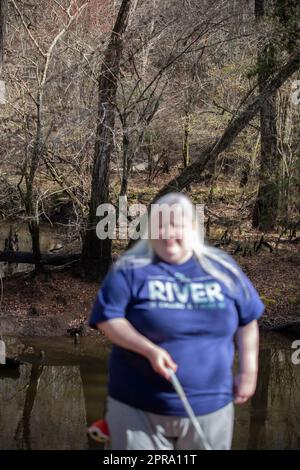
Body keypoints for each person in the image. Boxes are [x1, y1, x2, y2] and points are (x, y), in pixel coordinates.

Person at [89, 192, 265, 450]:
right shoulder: (130, 268)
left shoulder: (222, 268)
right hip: (137, 407)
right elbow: (108, 319)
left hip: (211, 407)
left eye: (176, 224)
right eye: (160, 224)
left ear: (193, 228)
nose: (168, 232)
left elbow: (248, 321)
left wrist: (249, 372)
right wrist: (148, 349)